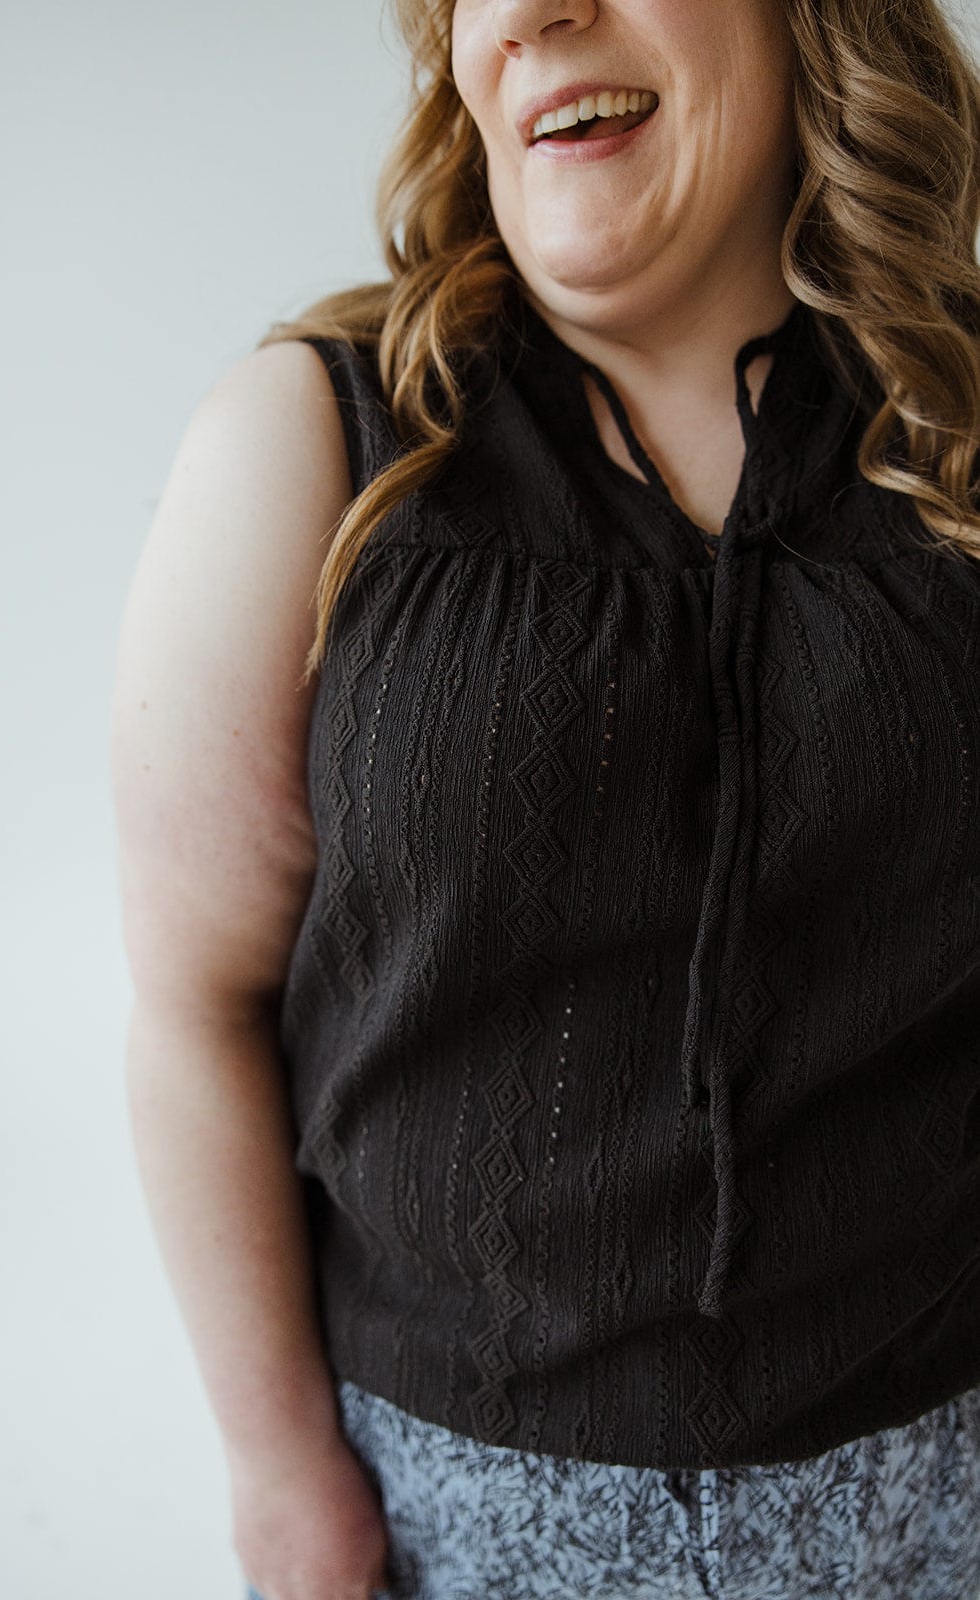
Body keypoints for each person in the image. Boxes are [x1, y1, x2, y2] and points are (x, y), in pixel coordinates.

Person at [108, 0, 980, 1595]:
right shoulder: (313, 449)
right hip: (452, 1525)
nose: (529, 16)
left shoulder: (960, 437)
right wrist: (281, 1477)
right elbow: (195, 1004)